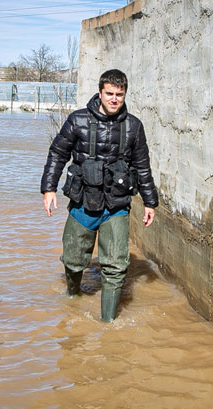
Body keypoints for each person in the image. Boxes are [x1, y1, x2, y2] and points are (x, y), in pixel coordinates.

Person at [41, 69, 159, 322]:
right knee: (73, 259)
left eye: (119, 94)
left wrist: (150, 202)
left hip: (116, 205)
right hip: (83, 202)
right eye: (110, 94)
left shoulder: (134, 127)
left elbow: (142, 166)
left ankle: (107, 323)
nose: (114, 99)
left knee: (115, 266)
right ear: (100, 92)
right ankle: (72, 298)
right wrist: (49, 188)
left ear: (125, 94)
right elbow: (57, 154)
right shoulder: (77, 120)